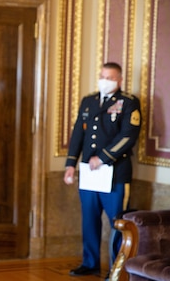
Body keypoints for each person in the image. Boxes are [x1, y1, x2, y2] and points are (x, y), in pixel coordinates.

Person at [63, 62, 141, 278]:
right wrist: (70, 164)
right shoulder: (89, 101)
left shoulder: (128, 103)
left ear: (119, 80)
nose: (104, 80)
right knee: (89, 219)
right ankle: (90, 262)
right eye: (102, 75)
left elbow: (128, 136)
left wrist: (105, 158)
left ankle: (117, 269)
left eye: (109, 77)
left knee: (118, 223)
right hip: (90, 174)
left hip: (115, 174)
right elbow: (78, 133)